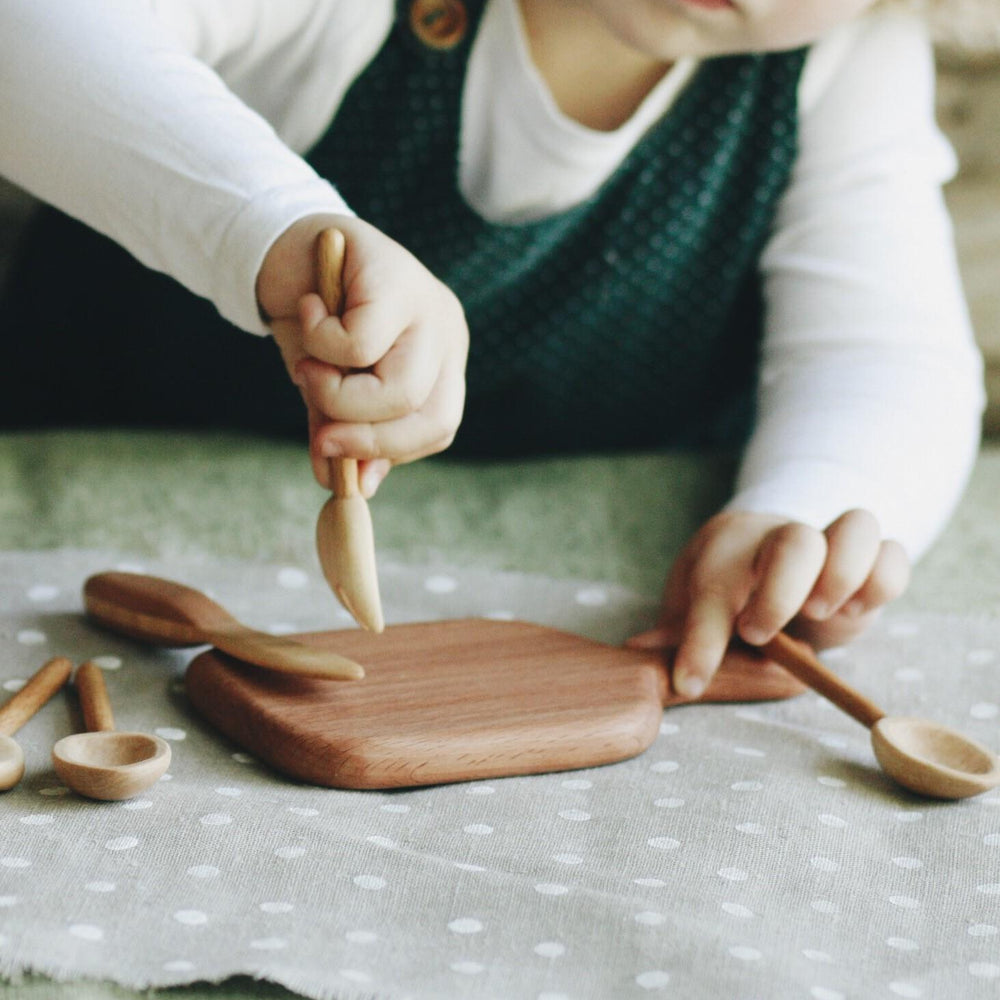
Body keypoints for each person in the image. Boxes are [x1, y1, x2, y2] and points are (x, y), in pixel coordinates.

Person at [0, 0, 984, 698]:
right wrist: (270, 228)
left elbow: (885, 353)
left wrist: (807, 509)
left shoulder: (847, 58)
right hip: (104, 491)